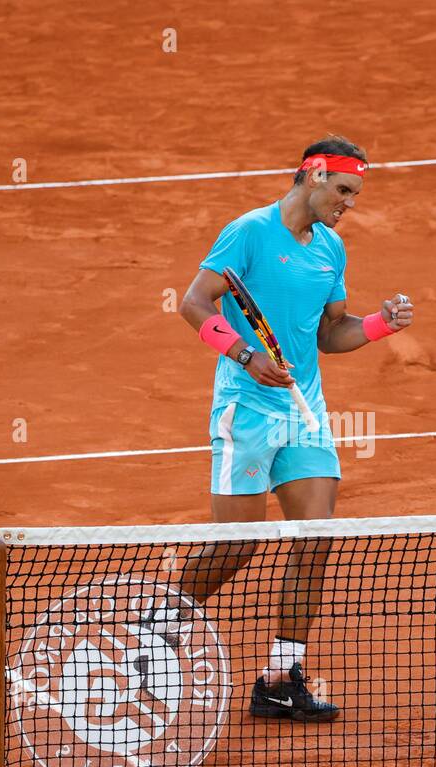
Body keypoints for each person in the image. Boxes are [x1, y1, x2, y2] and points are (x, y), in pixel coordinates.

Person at [165, 134, 414, 722]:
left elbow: (330, 333)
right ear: (314, 174)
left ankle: (280, 676)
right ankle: (161, 625)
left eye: (355, 194)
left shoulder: (332, 249)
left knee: (315, 537)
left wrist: (380, 324)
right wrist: (245, 355)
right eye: (344, 190)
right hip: (245, 412)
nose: (349, 203)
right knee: (238, 546)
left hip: (305, 414)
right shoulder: (250, 232)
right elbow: (194, 302)